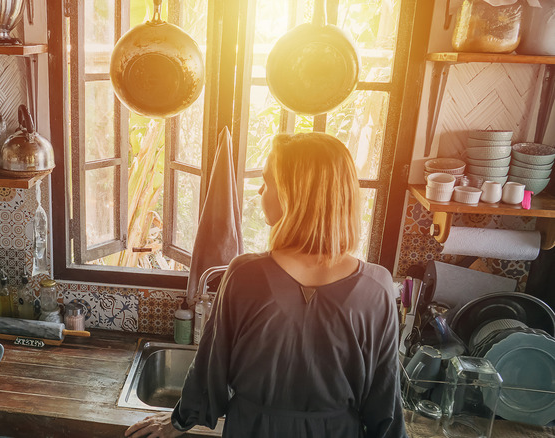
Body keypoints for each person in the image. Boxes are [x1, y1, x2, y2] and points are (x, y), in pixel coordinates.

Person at [124, 133, 406, 438]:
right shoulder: (377, 287)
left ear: (293, 195)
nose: (260, 189)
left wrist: (179, 421)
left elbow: (211, 368)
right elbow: (385, 401)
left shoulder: (245, 274)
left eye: (268, 181)